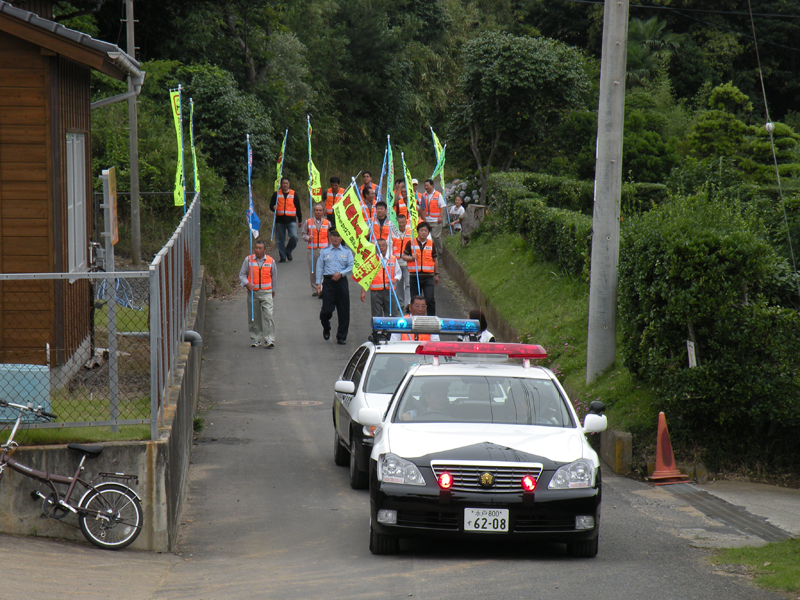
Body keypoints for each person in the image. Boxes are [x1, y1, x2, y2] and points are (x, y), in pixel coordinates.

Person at [316, 229, 354, 345]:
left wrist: (341, 274)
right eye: (333, 236)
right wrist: (318, 284)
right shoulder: (324, 251)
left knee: (343, 311)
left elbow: (351, 266)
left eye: (338, 236)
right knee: (325, 311)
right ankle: (326, 327)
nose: (336, 238)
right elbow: (319, 268)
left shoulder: (347, 252)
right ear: (330, 237)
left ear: (341, 238)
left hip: (341, 281)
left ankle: (341, 336)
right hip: (328, 282)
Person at [238, 240, 276, 348]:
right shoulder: (248, 260)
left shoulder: (270, 261)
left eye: (260, 248)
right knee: (254, 316)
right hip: (253, 293)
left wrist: (273, 291)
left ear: (265, 250)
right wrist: (247, 284)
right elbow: (242, 275)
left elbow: (274, 277)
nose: (258, 250)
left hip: (266, 292)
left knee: (268, 315)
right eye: (256, 248)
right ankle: (256, 338)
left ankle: (269, 339)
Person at [402, 222, 438, 316]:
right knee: (415, 300)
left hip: (428, 276)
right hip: (415, 276)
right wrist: (411, 258)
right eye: (422, 230)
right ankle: (414, 318)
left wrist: (436, 274)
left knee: (429, 298)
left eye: (426, 231)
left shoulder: (431, 244)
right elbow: (404, 256)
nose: (423, 232)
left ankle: (431, 319)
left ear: (428, 232)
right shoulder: (411, 243)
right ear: (418, 231)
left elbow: (435, 260)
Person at [360, 238, 401, 317]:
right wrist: (363, 292)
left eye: (383, 246)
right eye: (379, 246)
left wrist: (394, 280)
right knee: (376, 314)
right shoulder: (371, 260)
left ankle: (390, 329)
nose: (381, 248)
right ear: (376, 247)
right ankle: (378, 329)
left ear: (386, 247)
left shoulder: (392, 259)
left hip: (389, 291)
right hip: (376, 292)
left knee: (391, 313)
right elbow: (366, 277)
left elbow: (398, 273)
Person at [269, 177, 303, 262]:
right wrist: (273, 207)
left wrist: (300, 219)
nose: (285, 185)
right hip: (280, 220)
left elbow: (298, 207)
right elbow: (271, 206)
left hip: (291, 220)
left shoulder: (293, 194)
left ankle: (288, 251)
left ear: (289, 184)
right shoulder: (276, 194)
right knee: (280, 240)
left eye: (286, 183)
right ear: (281, 184)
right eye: (283, 183)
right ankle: (283, 257)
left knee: (294, 237)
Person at [301, 203, 330, 297]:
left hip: (324, 249)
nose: (318, 212)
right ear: (314, 211)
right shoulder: (308, 222)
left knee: (324, 269)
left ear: (323, 212)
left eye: (320, 210)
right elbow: (303, 234)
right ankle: (314, 288)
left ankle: (322, 288)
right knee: (313, 269)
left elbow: (330, 237)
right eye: (316, 210)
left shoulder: (327, 223)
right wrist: (308, 238)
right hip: (312, 249)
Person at [420, 178, 447, 255]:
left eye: (427, 185)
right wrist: (423, 218)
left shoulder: (438, 195)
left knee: (436, 237)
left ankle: (440, 252)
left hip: (435, 220)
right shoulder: (424, 195)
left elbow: (442, 206)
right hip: (427, 220)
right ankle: (430, 253)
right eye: (425, 186)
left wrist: (440, 217)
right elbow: (422, 207)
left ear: (432, 185)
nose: (426, 187)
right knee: (427, 238)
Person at [391, 212, 412, 310]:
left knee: (408, 283)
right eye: (399, 223)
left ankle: (408, 303)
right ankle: (401, 303)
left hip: (407, 261)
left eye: (403, 222)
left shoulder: (410, 232)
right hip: (397, 262)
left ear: (406, 222)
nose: (401, 224)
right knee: (398, 284)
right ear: (397, 222)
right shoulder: (393, 233)